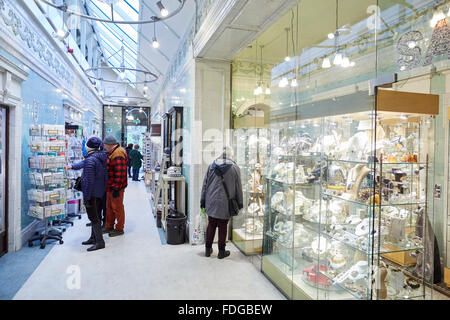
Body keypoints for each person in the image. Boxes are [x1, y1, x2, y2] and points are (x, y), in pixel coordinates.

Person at [200, 146, 243, 259]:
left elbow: (205, 185)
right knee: (223, 225)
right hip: (225, 202)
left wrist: (203, 200)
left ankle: (207, 250)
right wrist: (240, 203)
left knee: (212, 224)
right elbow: (238, 187)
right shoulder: (235, 168)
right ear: (230, 155)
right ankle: (221, 251)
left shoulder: (211, 166)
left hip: (211, 200)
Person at [67, 137, 108, 252]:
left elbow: (89, 181)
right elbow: (83, 163)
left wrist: (87, 197)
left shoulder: (91, 159)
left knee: (93, 217)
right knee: (96, 216)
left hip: (92, 193)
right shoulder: (99, 156)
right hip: (100, 191)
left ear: (89, 147)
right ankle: (93, 238)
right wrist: (71, 166)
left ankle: (100, 242)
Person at [103, 135, 128, 237]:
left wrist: (116, 188)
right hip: (111, 185)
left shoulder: (118, 153)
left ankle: (119, 228)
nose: (104, 147)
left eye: (105, 145)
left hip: (116, 186)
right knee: (109, 207)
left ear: (109, 145)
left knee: (117, 207)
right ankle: (109, 226)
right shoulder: (113, 152)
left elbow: (120, 173)